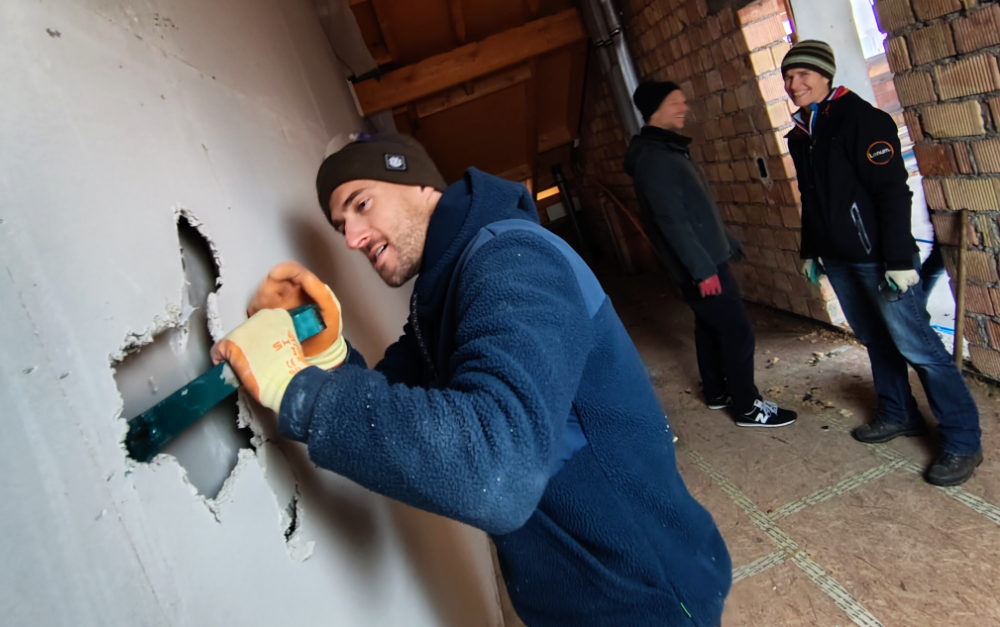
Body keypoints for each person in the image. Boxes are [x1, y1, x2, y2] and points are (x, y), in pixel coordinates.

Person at [212, 132, 732, 626]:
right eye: (340, 225)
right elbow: (394, 404)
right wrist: (327, 356)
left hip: (644, 597)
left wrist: (295, 388)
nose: (352, 238)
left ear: (419, 183)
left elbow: (496, 470)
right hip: (581, 597)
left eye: (361, 204)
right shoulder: (441, 298)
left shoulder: (513, 261)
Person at [782, 40, 983, 486]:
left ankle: (963, 441)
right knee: (875, 339)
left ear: (825, 75)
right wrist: (811, 249)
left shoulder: (863, 120)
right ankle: (899, 412)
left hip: (879, 258)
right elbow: (811, 199)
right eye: (788, 77)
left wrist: (898, 258)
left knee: (919, 347)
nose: (794, 84)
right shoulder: (801, 133)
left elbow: (893, 191)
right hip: (839, 258)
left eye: (803, 74)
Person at [624, 81, 797, 429]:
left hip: (704, 257)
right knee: (737, 332)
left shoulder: (666, 150)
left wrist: (724, 240)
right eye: (675, 103)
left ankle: (717, 392)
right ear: (654, 110)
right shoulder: (654, 158)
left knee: (709, 326)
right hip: (700, 265)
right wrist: (702, 269)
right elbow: (671, 220)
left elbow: (695, 210)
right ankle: (748, 407)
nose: (683, 108)